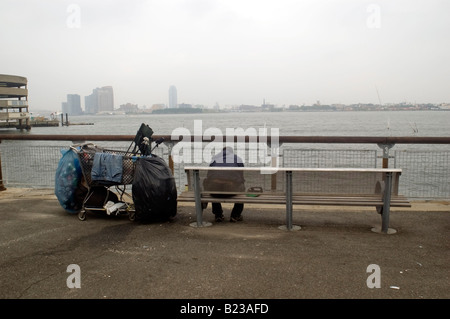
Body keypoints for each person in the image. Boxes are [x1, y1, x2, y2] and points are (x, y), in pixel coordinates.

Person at [203, 147, 245, 222]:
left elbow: (209, 176)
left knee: (213, 185)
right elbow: (241, 178)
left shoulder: (214, 158)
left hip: (215, 193)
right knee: (242, 187)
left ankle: (218, 214)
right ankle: (235, 215)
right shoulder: (237, 158)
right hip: (231, 192)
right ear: (231, 152)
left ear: (222, 151)